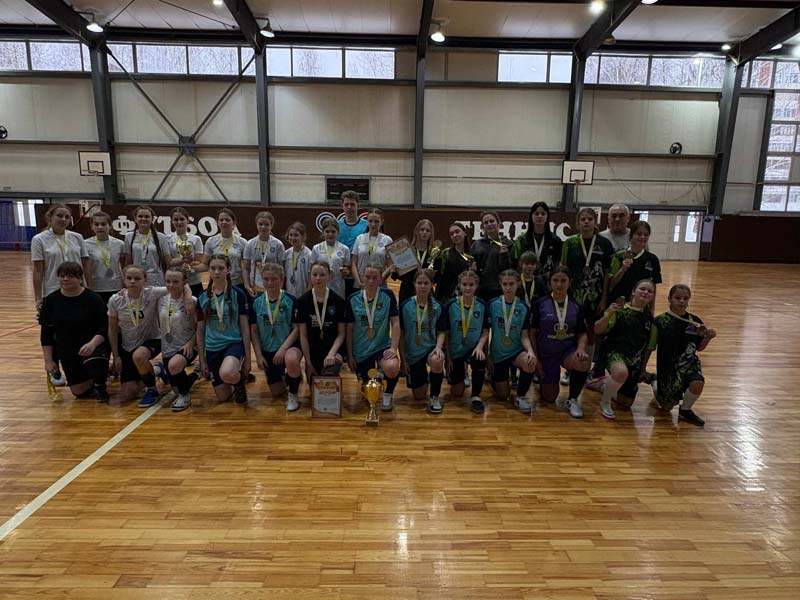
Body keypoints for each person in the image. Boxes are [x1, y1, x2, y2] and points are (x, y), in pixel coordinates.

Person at [645, 284, 716, 426]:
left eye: (685, 298)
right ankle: (655, 381)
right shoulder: (660, 322)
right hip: (668, 368)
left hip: (689, 364)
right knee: (666, 407)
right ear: (669, 299)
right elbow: (650, 347)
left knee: (698, 383)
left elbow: (699, 348)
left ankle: (685, 410)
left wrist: (708, 338)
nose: (682, 301)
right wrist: (643, 368)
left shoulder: (695, 322)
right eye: (677, 298)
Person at [40, 262, 109, 403]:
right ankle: (91, 379)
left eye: (70, 276)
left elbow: (104, 327)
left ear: (80, 278)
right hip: (67, 349)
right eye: (62, 276)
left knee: (96, 361)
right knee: (79, 392)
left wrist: (92, 344)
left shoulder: (93, 298)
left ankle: (100, 384)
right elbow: (46, 334)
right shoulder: (51, 301)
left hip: (93, 345)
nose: (65, 279)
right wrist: (49, 361)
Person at [107, 265, 175, 407]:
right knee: (129, 392)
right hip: (128, 346)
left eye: (137, 278)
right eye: (129, 278)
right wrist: (116, 355)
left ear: (145, 280)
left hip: (152, 340)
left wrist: (188, 299)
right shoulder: (115, 300)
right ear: (124, 280)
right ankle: (157, 370)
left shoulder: (152, 293)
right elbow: (112, 329)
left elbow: (178, 286)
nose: (133, 281)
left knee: (139, 356)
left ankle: (152, 390)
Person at [529, 266, 591, 419]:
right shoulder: (540, 303)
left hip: (567, 351)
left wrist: (581, 348)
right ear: (550, 282)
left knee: (583, 362)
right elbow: (532, 333)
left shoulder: (576, 306)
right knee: (549, 397)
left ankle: (572, 399)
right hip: (547, 353)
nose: (559, 284)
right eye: (555, 280)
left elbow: (582, 333)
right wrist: (536, 359)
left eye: (563, 280)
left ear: (570, 283)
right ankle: (543, 381)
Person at [560, 207, 614, 380]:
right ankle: (570, 369)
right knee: (572, 332)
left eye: (589, 219)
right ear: (577, 224)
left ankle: (585, 370)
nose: (586, 222)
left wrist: (604, 299)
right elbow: (563, 271)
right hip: (573, 297)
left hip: (595, 298)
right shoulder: (570, 243)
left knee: (591, 334)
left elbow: (607, 273)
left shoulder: (604, 244)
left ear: (595, 222)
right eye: (582, 219)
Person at [32, 204, 90, 362]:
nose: (63, 219)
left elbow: (85, 265)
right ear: (49, 217)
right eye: (59, 215)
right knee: (54, 330)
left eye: (67, 217)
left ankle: (78, 362)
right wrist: (38, 297)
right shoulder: (39, 239)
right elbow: (37, 271)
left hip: (78, 290)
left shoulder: (77, 237)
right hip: (53, 291)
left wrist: (88, 288)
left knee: (79, 328)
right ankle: (53, 366)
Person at [593, 279, 655, 420]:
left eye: (650, 291)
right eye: (642, 289)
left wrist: (643, 368)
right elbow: (597, 329)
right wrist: (609, 313)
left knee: (626, 402)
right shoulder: (619, 310)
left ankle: (602, 384)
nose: (645, 292)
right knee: (621, 373)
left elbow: (649, 347)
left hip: (634, 360)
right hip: (613, 353)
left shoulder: (649, 319)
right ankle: (605, 402)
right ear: (633, 292)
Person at [345, 263, 401, 411]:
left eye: (375, 277)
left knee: (392, 367)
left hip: (382, 345)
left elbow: (395, 323)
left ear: (380, 279)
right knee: (368, 392)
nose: (371, 281)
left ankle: (388, 394)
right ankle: (377, 377)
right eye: (368, 277)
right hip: (361, 350)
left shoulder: (388, 296)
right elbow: (349, 330)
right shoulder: (352, 299)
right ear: (362, 278)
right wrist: (350, 355)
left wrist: (393, 348)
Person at [197, 254, 251, 406]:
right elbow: (200, 330)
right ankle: (233, 377)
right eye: (213, 268)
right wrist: (202, 360)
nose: (216, 272)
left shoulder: (238, 294)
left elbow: (245, 328)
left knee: (227, 373)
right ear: (208, 270)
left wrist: (248, 358)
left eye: (221, 268)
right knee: (223, 397)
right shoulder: (202, 296)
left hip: (233, 343)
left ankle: (239, 383)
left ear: (228, 270)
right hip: (212, 348)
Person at [251, 263, 303, 411]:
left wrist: (283, 349)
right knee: (276, 392)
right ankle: (294, 377)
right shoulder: (256, 302)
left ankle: (293, 394)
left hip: (288, 345)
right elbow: (254, 332)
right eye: (266, 279)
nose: (270, 283)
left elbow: (297, 329)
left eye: (274, 279)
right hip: (268, 349)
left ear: (282, 280)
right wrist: (258, 355)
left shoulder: (291, 300)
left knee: (291, 359)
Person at [438, 270, 489, 414]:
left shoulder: (482, 305)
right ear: (459, 285)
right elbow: (446, 334)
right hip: (456, 350)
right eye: (464, 284)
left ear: (476, 286)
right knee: (457, 393)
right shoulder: (450, 305)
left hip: (473, 348)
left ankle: (476, 396)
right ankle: (461, 373)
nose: (467, 288)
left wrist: (480, 347)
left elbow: (485, 331)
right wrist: (448, 358)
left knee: (479, 358)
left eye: (471, 285)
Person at [487, 270, 537, 413]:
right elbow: (485, 332)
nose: (508, 287)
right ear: (500, 285)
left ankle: (521, 396)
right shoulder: (492, 305)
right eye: (505, 284)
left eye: (511, 284)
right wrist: (487, 357)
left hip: (516, 351)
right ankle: (493, 378)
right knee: (503, 395)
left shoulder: (523, 307)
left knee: (530, 362)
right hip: (498, 354)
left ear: (518, 284)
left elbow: (525, 336)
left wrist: (530, 351)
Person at [399, 270, 444, 414]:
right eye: (420, 283)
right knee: (418, 396)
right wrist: (403, 359)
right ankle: (426, 378)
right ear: (414, 284)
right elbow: (400, 334)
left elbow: (441, 331)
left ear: (432, 285)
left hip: (430, 348)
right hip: (413, 352)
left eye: (426, 283)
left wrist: (438, 348)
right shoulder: (405, 306)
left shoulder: (437, 307)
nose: (423, 286)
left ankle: (435, 397)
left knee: (437, 359)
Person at [154, 267, 199, 412]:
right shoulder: (160, 298)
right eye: (168, 281)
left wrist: (191, 343)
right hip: (168, 346)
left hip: (188, 345)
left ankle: (185, 397)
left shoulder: (192, 301)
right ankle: (196, 374)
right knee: (176, 388)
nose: (171, 285)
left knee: (174, 366)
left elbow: (200, 327)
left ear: (184, 282)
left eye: (176, 281)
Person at [294, 261, 347, 380]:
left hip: (334, 349)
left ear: (329, 276)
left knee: (329, 374)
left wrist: (331, 354)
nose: (318, 278)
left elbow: (341, 333)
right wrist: (308, 363)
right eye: (315, 274)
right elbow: (303, 335)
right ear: (310, 276)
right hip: (313, 350)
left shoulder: (338, 301)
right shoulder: (302, 301)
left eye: (322, 275)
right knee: (315, 384)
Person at [608, 220, 662, 311]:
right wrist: (622, 269)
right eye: (639, 234)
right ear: (631, 235)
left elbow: (653, 287)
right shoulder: (618, 256)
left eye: (646, 234)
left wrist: (652, 309)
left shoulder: (652, 259)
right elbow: (611, 285)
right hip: (619, 304)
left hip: (641, 306)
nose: (642, 237)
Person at [513, 201, 562, 289]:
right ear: (531, 216)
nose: (539, 216)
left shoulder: (555, 240)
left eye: (543, 213)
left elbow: (557, 264)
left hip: (547, 284)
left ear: (547, 216)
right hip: (526, 283)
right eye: (536, 213)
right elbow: (516, 263)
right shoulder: (522, 240)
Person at [204, 208, 248, 296]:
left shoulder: (242, 242)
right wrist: (190, 268)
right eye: (221, 220)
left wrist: (247, 284)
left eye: (227, 220)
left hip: (237, 283)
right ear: (217, 223)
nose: (224, 222)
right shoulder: (211, 241)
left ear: (233, 223)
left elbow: (246, 267)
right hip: (217, 283)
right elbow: (205, 265)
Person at [471, 211, 513, 302]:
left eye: (492, 221)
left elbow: (510, 270)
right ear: (482, 227)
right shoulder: (476, 245)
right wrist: (473, 269)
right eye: (486, 222)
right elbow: (473, 270)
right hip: (481, 290)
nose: (489, 224)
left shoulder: (508, 244)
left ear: (499, 224)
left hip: (500, 289)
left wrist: (504, 256)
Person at [392, 219, 437, 304]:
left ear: (431, 234)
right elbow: (399, 276)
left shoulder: (434, 253)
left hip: (426, 291)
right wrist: (395, 270)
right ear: (417, 231)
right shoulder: (406, 250)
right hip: (407, 291)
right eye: (422, 229)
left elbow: (436, 278)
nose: (424, 232)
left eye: (428, 230)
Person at [122, 205, 169, 287]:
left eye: (147, 216)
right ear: (135, 219)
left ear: (152, 219)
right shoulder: (129, 236)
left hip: (156, 279)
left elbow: (168, 262)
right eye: (140, 216)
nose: (143, 219)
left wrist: (185, 258)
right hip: (136, 279)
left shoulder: (161, 237)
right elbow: (128, 262)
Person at [241, 210, 285, 298]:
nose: (263, 227)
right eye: (260, 224)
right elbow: (246, 268)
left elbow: (282, 270)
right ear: (256, 225)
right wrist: (247, 285)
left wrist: (280, 288)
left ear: (271, 225)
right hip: (255, 288)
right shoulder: (250, 244)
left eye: (266, 224)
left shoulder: (278, 244)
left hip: (273, 287)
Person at [84, 210, 124, 305]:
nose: (100, 227)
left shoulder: (119, 244)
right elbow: (85, 267)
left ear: (110, 226)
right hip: (96, 288)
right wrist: (88, 286)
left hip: (116, 286)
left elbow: (124, 265)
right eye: (96, 224)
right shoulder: (85, 244)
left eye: (103, 224)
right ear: (92, 226)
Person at [166, 207, 206, 298]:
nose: (179, 222)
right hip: (174, 280)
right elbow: (167, 261)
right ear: (172, 221)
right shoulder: (167, 239)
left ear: (187, 220)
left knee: (195, 305)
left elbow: (199, 261)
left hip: (193, 280)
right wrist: (182, 260)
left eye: (182, 219)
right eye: (176, 219)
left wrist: (190, 265)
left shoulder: (196, 239)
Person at [433, 222, 475, 304]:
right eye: (451, 234)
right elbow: (437, 276)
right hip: (445, 298)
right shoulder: (445, 254)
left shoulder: (472, 255)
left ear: (464, 233)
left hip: (466, 297)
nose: (455, 235)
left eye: (457, 232)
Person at [310, 217, 351, 299]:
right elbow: (311, 270)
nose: (330, 234)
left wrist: (346, 272)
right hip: (320, 285)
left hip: (338, 287)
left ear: (338, 232)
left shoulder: (344, 249)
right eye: (327, 231)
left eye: (333, 232)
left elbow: (348, 269)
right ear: (323, 232)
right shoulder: (316, 248)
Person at [351, 208, 393, 289]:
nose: (373, 224)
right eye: (370, 221)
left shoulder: (387, 240)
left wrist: (379, 281)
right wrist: (358, 282)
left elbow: (390, 265)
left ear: (382, 222)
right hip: (360, 285)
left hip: (380, 286)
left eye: (376, 221)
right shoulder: (360, 238)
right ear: (367, 222)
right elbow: (353, 263)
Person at [338, 190, 368, 299]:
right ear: (342, 206)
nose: (349, 207)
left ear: (358, 205)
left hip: (359, 276)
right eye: (346, 204)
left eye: (352, 204)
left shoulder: (366, 225)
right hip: (340, 276)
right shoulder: (337, 225)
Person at [283, 221, 312, 298]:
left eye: (296, 235)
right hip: (289, 293)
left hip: (304, 294)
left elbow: (311, 278)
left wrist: (308, 294)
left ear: (303, 237)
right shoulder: (286, 254)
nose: (293, 238)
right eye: (291, 235)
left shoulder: (309, 255)